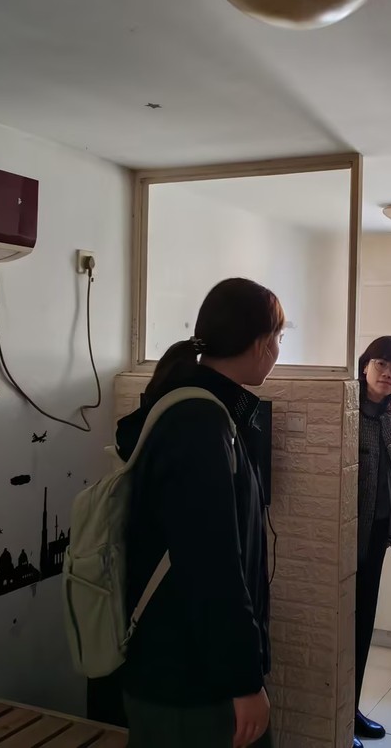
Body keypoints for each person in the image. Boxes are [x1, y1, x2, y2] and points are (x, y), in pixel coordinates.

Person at [115, 277, 284, 748]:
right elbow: (212, 568)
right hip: (188, 684)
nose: (277, 350)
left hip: (191, 672)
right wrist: (244, 681)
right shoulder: (199, 424)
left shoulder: (208, 412)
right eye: (277, 337)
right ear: (260, 343)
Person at [354, 336, 391, 748]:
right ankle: (338, 710)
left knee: (362, 627)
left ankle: (351, 708)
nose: (388, 374)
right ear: (364, 365)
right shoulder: (345, 409)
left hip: (376, 535)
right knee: (341, 629)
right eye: (381, 364)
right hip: (344, 535)